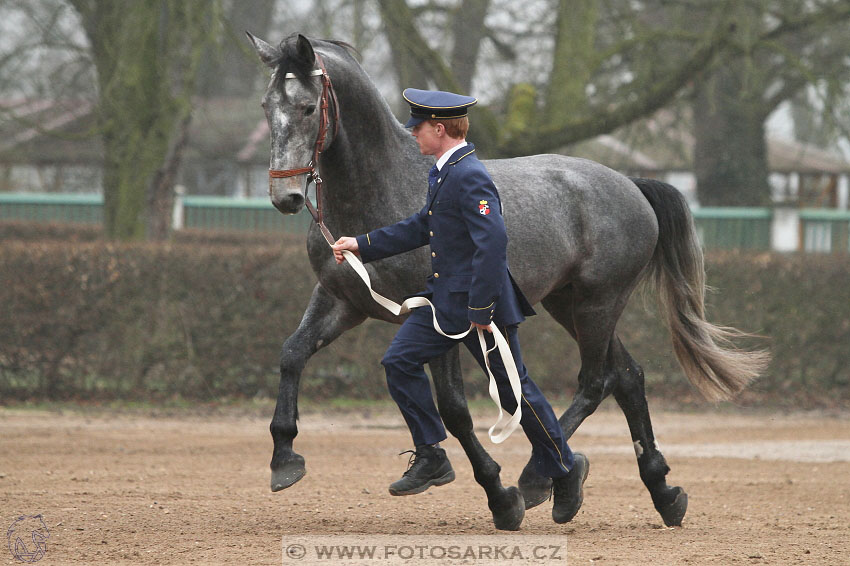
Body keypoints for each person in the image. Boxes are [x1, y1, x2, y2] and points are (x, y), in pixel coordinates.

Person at [331, 88, 588, 523]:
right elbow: (423, 227)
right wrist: (363, 244)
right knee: (399, 362)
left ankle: (565, 466)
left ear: (439, 128)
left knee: (514, 391)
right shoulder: (442, 173)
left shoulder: (469, 175)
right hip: (442, 300)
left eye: (417, 127)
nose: (412, 133)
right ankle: (432, 454)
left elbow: (494, 243)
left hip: (478, 305)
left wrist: (483, 309)